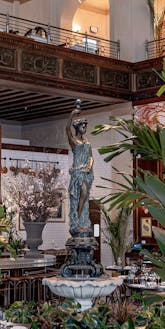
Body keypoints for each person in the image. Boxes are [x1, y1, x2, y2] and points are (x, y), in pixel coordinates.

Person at [67, 99, 93, 235]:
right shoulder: (74, 142)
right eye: (83, 127)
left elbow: (91, 156)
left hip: (86, 173)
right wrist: (72, 114)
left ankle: (81, 219)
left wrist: (89, 166)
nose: (84, 129)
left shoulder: (87, 143)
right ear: (77, 128)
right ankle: (76, 218)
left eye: (85, 127)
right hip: (77, 173)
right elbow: (67, 129)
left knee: (85, 193)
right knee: (79, 194)